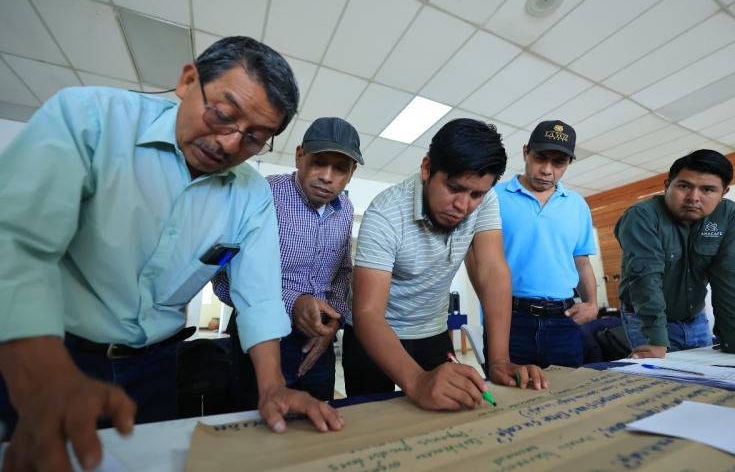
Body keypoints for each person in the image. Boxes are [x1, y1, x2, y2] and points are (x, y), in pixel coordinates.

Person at [0, 36, 342, 472]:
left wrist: (271, 386)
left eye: (256, 138)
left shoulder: (251, 194)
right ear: (187, 81)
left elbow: (258, 295)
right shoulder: (90, 120)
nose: (231, 144)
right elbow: (18, 249)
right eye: (223, 115)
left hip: (156, 369)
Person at [344, 118, 548, 411]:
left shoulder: (486, 201)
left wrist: (500, 360)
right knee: (374, 422)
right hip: (375, 334)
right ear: (427, 169)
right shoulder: (385, 213)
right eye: (454, 188)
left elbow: (493, 271)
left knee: (452, 413)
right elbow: (368, 312)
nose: (463, 206)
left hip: (432, 331)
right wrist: (416, 381)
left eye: (476, 194)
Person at [213, 117, 361, 405]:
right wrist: (294, 303)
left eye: (340, 169)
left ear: (351, 173)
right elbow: (224, 274)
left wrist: (333, 323)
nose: (327, 177)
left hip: (318, 342)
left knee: (318, 425)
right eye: (318, 162)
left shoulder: (345, 211)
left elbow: (343, 272)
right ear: (299, 155)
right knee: (255, 428)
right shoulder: (263, 195)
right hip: (259, 338)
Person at [614, 149, 735, 358]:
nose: (694, 197)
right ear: (667, 185)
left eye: (708, 190)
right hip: (645, 319)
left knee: (710, 378)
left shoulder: (727, 214)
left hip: (695, 316)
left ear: (723, 193)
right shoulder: (641, 215)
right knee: (662, 382)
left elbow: (731, 276)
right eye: (684, 186)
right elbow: (646, 278)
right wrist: (656, 340)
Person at [493, 120, 599, 368]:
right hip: (509, 317)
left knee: (567, 394)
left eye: (558, 163)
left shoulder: (577, 205)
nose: (547, 170)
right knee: (509, 396)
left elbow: (581, 261)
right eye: (540, 158)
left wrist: (592, 304)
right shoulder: (493, 197)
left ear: (568, 164)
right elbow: (476, 259)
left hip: (564, 320)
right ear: (525, 152)